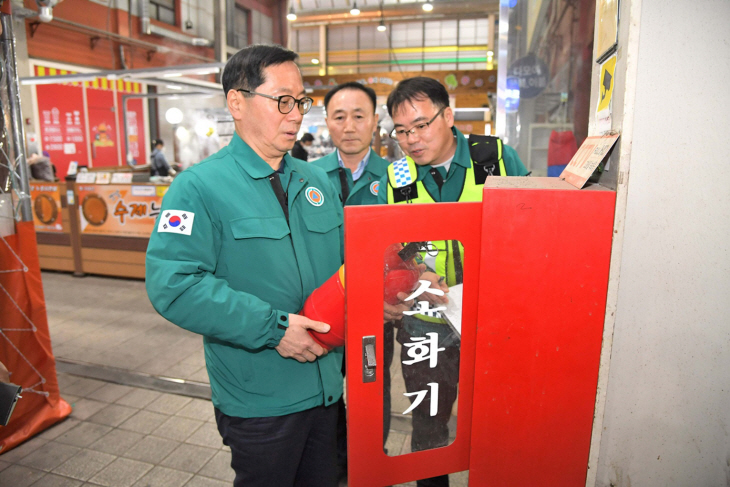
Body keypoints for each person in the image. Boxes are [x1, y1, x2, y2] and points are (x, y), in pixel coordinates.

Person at [145, 44, 345, 487]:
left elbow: (345, 266)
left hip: (328, 388)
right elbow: (174, 284)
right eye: (283, 101)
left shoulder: (316, 181)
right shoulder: (197, 188)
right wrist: (273, 328)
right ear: (237, 102)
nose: (296, 115)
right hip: (260, 400)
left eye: (302, 101)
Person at [377, 77, 528, 487]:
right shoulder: (398, 176)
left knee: (497, 419)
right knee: (429, 425)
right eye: (402, 131)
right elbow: (390, 250)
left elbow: (531, 227)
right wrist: (417, 271)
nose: (411, 140)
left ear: (449, 115)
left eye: (422, 125)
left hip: (491, 320)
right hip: (426, 323)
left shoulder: (494, 158)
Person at [310, 81, 397, 481]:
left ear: (375, 121)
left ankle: (369, 466)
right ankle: (333, 467)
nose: (349, 126)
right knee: (326, 395)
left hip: (376, 317)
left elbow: (407, 246)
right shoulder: (305, 177)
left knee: (371, 392)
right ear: (326, 121)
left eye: (359, 116)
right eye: (339, 116)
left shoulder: (398, 176)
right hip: (323, 315)